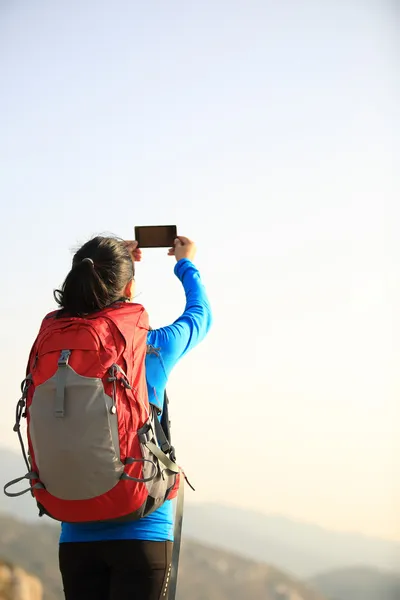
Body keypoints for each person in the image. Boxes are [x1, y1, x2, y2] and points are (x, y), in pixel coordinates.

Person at [54, 234, 212, 600]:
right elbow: (200, 315)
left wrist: (105, 261)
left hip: (76, 531)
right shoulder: (152, 349)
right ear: (128, 287)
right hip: (143, 527)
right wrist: (184, 262)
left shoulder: (59, 349)